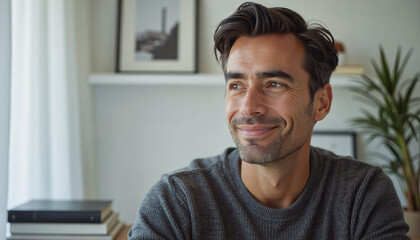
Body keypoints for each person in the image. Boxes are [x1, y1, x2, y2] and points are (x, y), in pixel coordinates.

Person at [128, 2, 409, 239]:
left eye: (274, 84)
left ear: (321, 103)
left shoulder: (363, 196)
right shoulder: (176, 203)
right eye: (236, 85)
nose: (248, 107)